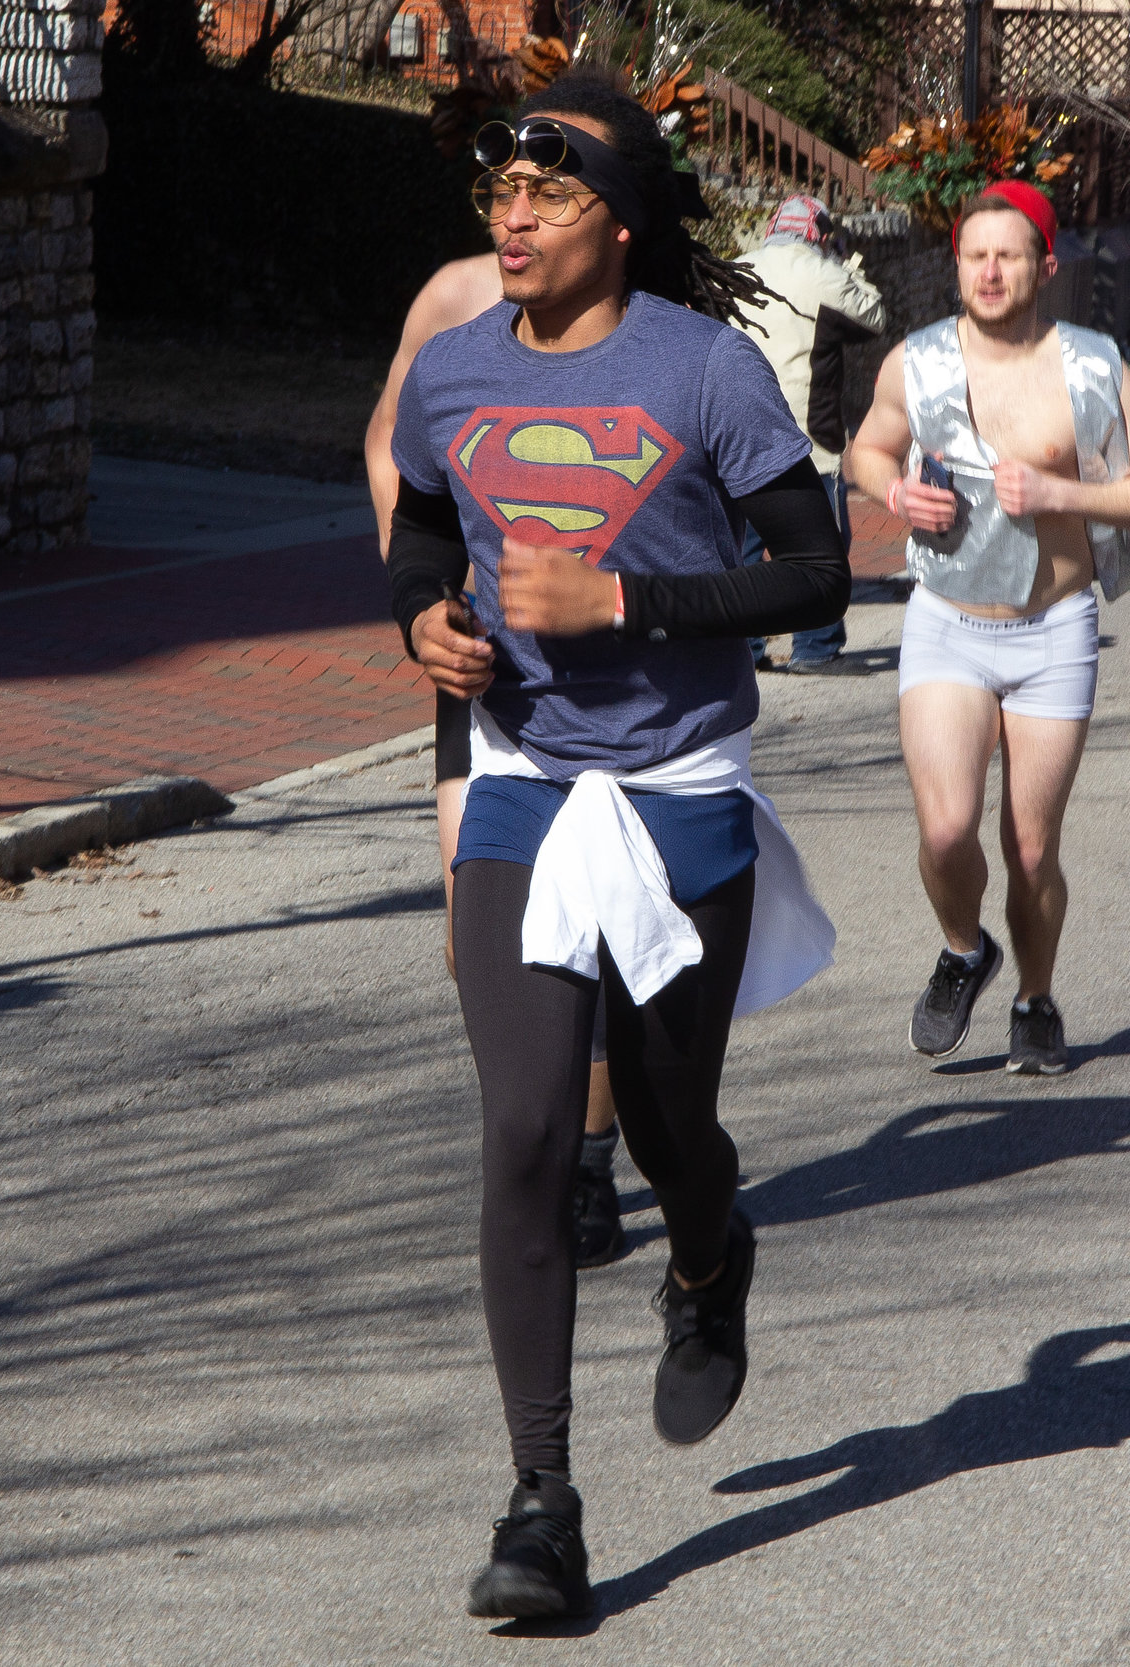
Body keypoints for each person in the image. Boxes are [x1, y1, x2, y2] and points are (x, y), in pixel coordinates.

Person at [384, 72, 850, 1621]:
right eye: (499, 195)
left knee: (668, 1131)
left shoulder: (706, 372)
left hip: (679, 787)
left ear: (623, 222)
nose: (512, 216)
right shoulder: (456, 371)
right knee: (524, 1128)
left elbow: (814, 571)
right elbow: (427, 526)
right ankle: (541, 1501)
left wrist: (631, 605)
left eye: (550, 193)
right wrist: (426, 620)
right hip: (520, 777)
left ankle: (712, 1259)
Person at [845, 181, 1130, 1075]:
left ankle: (1035, 998)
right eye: (975, 256)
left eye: (1008, 255)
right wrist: (891, 490)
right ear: (957, 266)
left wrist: (1065, 491)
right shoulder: (914, 363)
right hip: (948, 620)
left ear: (1044, 266)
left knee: (1031, 846)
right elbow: (866, 448)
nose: (990, 272)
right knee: (947, 830)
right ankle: (964, 949)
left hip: (1053, 629)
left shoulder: (1091, 364)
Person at [366, 256, 632, 1272]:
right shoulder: (448, 299)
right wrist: (419, 591)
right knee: (474, 926)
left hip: (612, 674)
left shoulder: (646, 316)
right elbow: (393, 442)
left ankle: (589, 1156)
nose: (525, 205)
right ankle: (535, 1132)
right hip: (483, 662)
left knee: (594, 926)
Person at [733, 193, 890, 673]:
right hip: (807, 433)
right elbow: (874, 318)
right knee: (818, 544)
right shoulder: (824, 273)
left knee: (742, 548)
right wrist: (848, 266)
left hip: (736, 431)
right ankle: (816, 648)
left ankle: (745, 650)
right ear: (818, 232)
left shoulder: (736, 270)